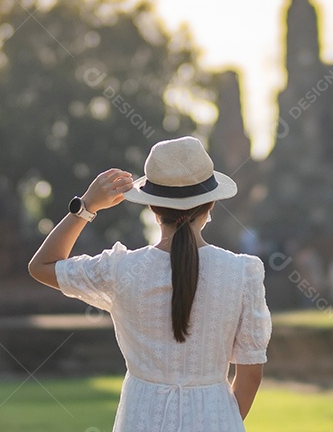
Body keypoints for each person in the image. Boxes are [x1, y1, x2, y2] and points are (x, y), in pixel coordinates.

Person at [28, 137, 271, 431]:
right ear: (211, 204)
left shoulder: (119, 270)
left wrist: (86, 207)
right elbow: (250, 374)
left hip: (141, 420)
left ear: (152, 208)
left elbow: (42, 266)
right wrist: (220, 420)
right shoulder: (242, 272)